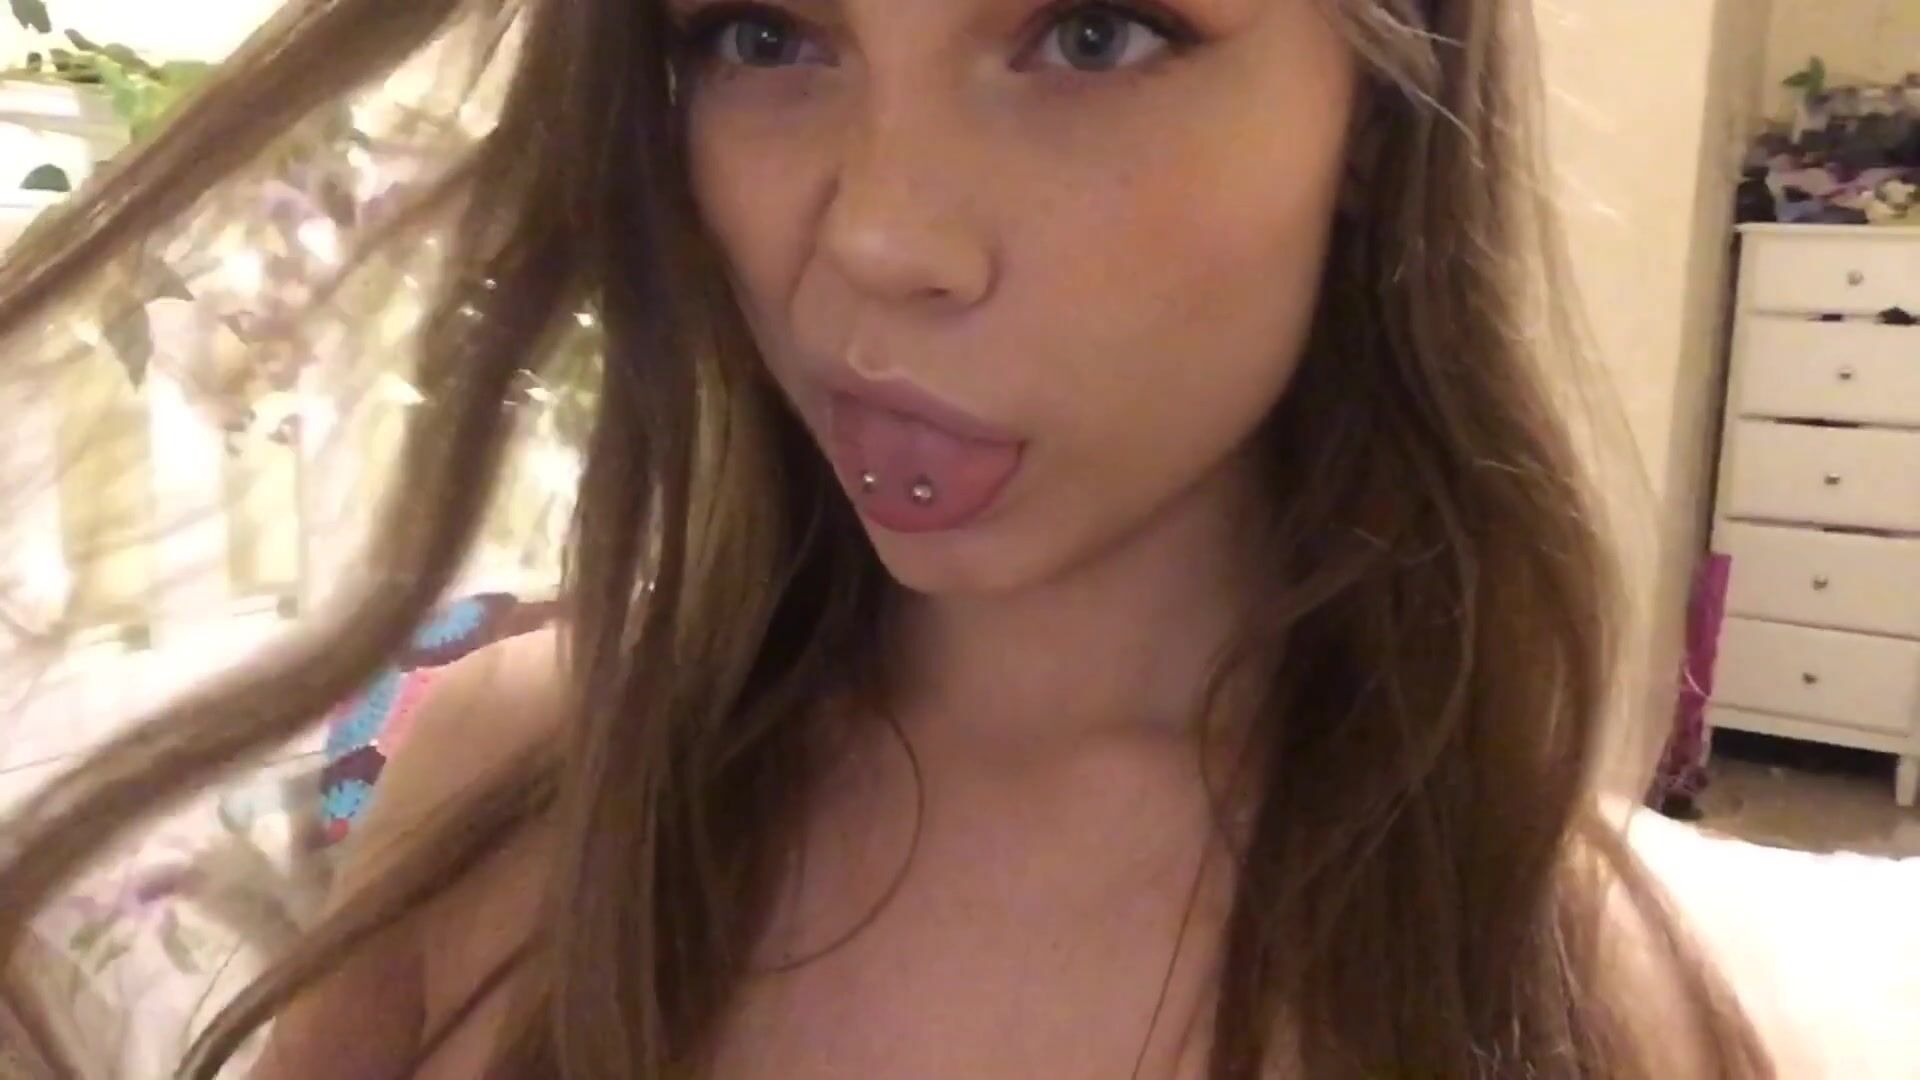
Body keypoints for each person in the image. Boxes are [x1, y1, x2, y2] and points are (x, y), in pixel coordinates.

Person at [0, 0, 1883, 1075]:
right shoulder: (513, 800)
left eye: (1090, 32)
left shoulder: (1550, 989)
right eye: (764, 32)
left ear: (1384, 116)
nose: (879, 237)